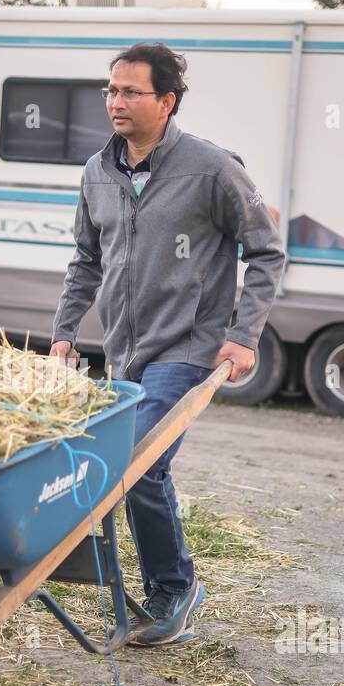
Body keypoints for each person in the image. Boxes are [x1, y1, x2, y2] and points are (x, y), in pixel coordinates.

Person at [49, 42, 285, 646]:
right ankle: (143, 580)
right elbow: (86, 258)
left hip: (187, 348)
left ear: (167, 100)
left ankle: (174, 587)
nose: (116, 102)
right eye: (111, 90)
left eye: (131, 92)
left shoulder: (211, 169)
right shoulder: (98, 171)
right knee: (116, 464)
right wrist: (65, 331)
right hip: (123, 350)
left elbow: (265, 250)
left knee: (142, 462)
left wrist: (242, 336)